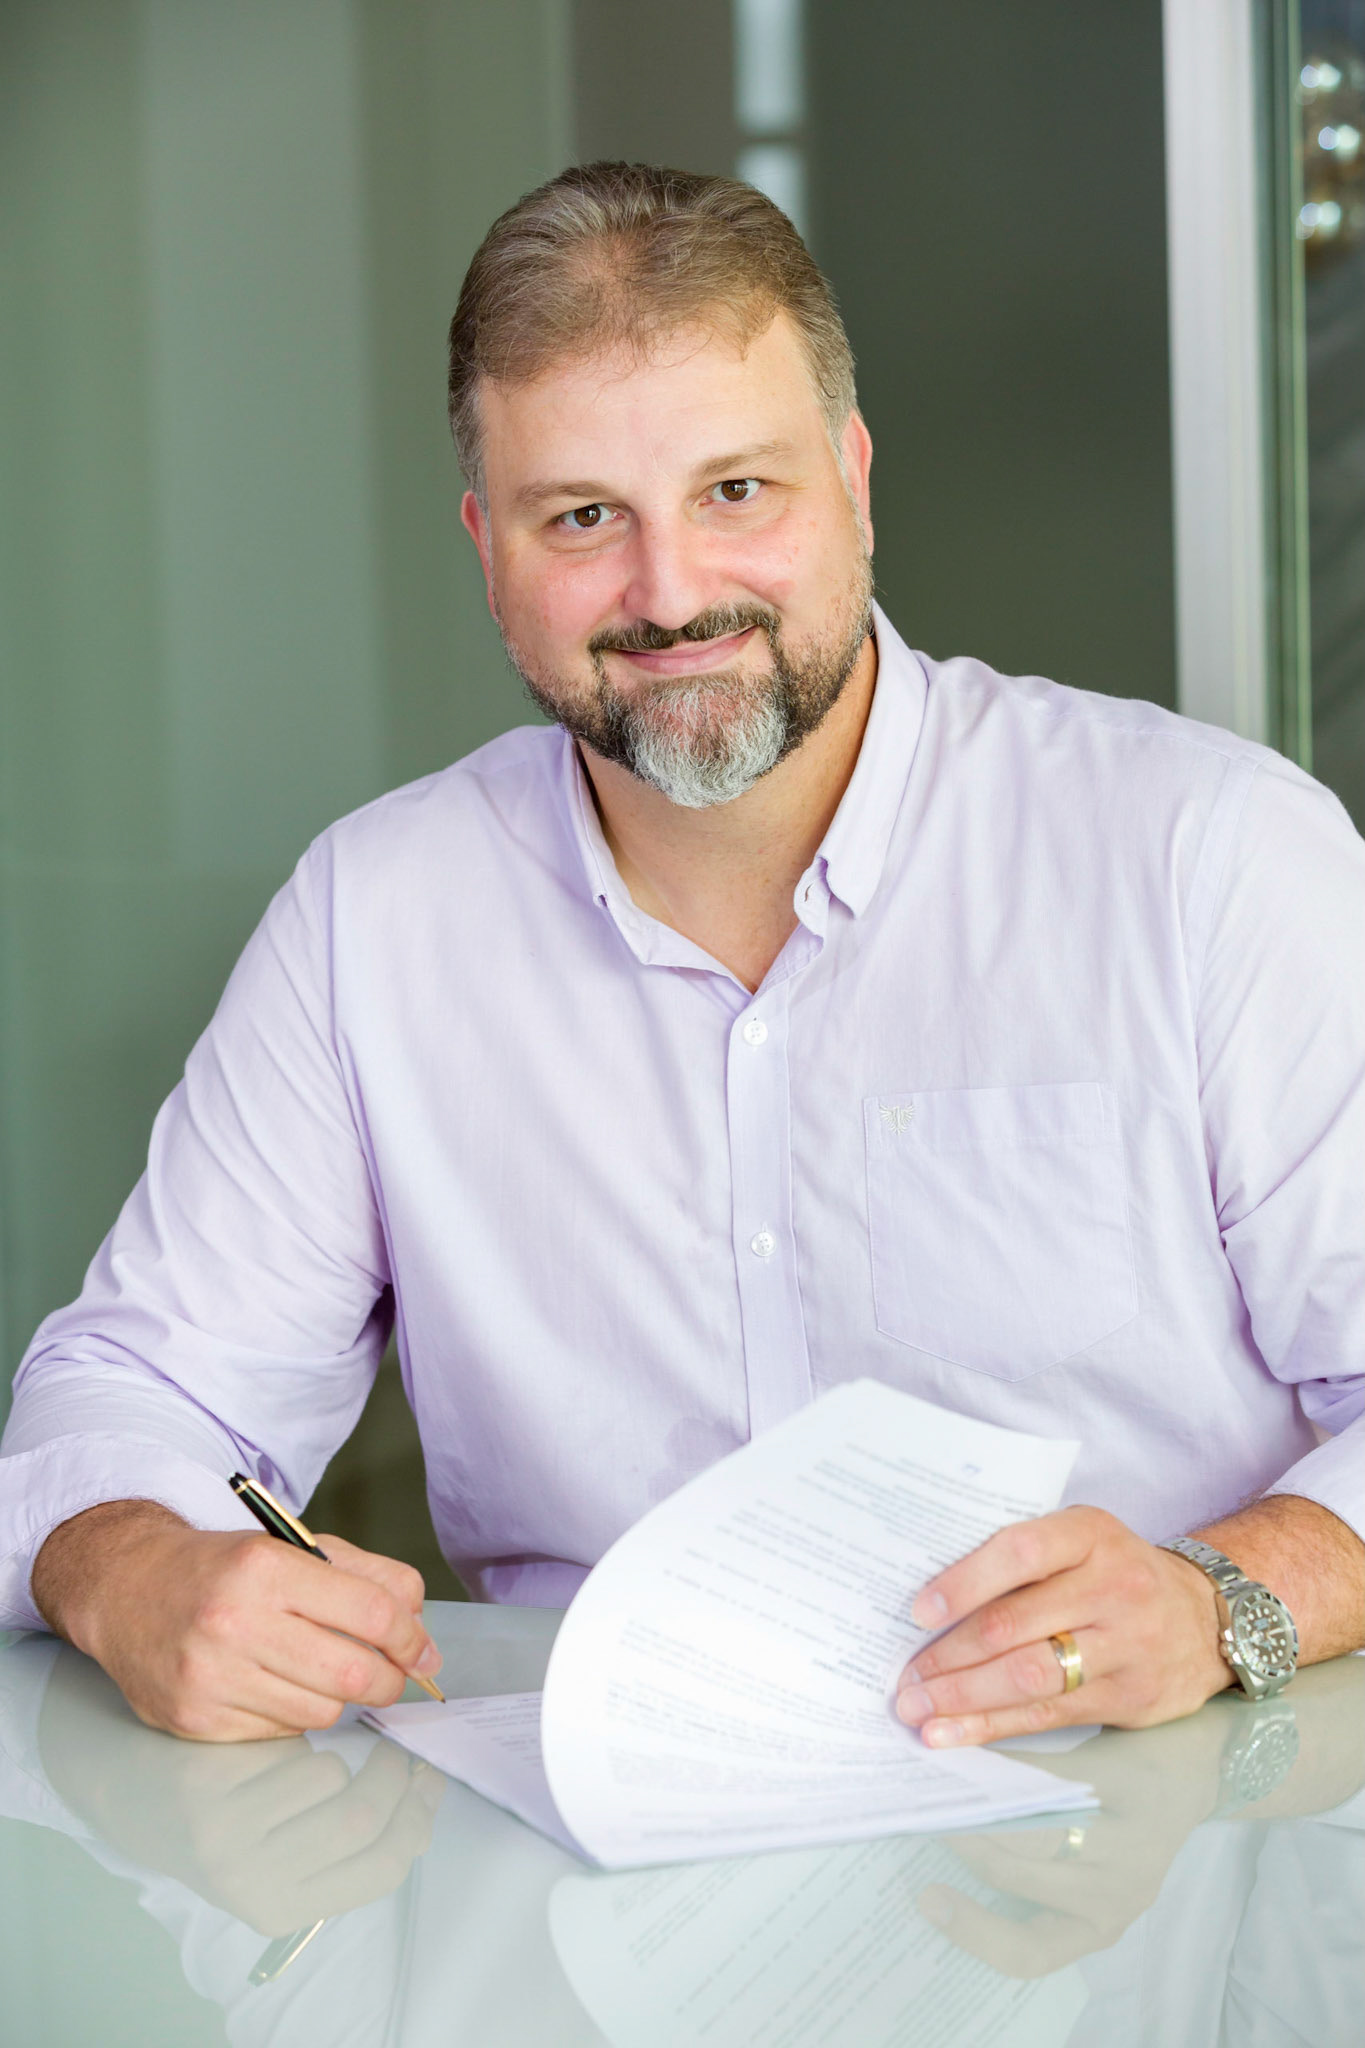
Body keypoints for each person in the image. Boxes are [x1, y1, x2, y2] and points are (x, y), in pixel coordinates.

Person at [2, 163, 1362, 1750]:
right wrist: (134, 1569)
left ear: (852, 479)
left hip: (1148, 1818)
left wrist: (1219, 1597)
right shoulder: (372, 921)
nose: (669, 593)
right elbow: (139, 1390)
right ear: (488, 549)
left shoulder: (1208, 858)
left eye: (736, 491)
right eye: (583, 517)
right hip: (589, 1847)